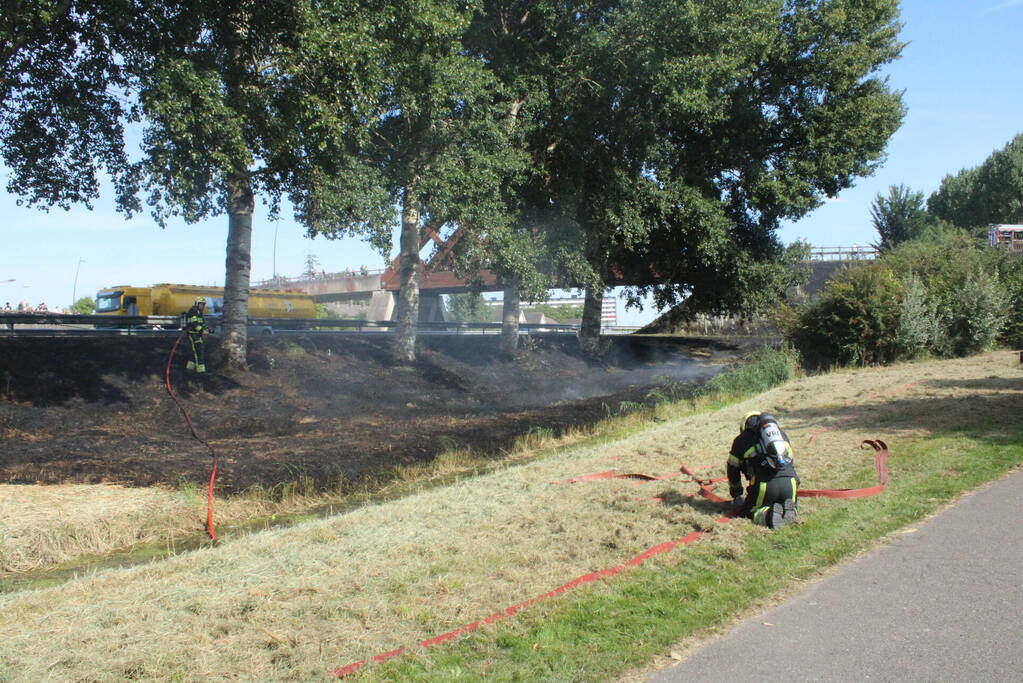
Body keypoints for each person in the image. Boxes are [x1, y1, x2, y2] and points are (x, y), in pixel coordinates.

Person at [726, 411, 799, 528]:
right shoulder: (782, 435)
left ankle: (768, 515)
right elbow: (790, 463)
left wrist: (737, 494)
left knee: (749, 512)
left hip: (765, 485)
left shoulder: (741, 440)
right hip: (790, 483)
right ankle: (791, 511)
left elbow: (732, 468)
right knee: (784, 502)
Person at [184, 296, 208, 373]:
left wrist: (207, 329)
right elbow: (194, 324)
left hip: (197, 334)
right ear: (197, 304)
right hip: (193, 334)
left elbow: (201, 323)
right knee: (198, 352)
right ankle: (201, 371)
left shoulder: (199, 313)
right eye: (201, 304)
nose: (202, 306)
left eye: (203, 304)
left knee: (194, 352)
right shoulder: (193, 311)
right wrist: (202, 330)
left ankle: (189, 369)